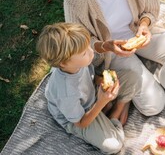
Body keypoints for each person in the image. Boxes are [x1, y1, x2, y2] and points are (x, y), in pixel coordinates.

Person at [37, 22, 124, 154]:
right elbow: (81, 123)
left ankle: (108, 112)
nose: (91, 52)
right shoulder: (66, 93)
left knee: (131, 78)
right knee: (113, 146)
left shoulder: (76, 63)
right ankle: (117, 111)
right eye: (84, 53)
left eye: (88, 46)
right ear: (64, 63)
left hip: (90, 98)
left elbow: (91, 77)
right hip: (78, 118)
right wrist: (101, 102)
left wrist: (101, 81)